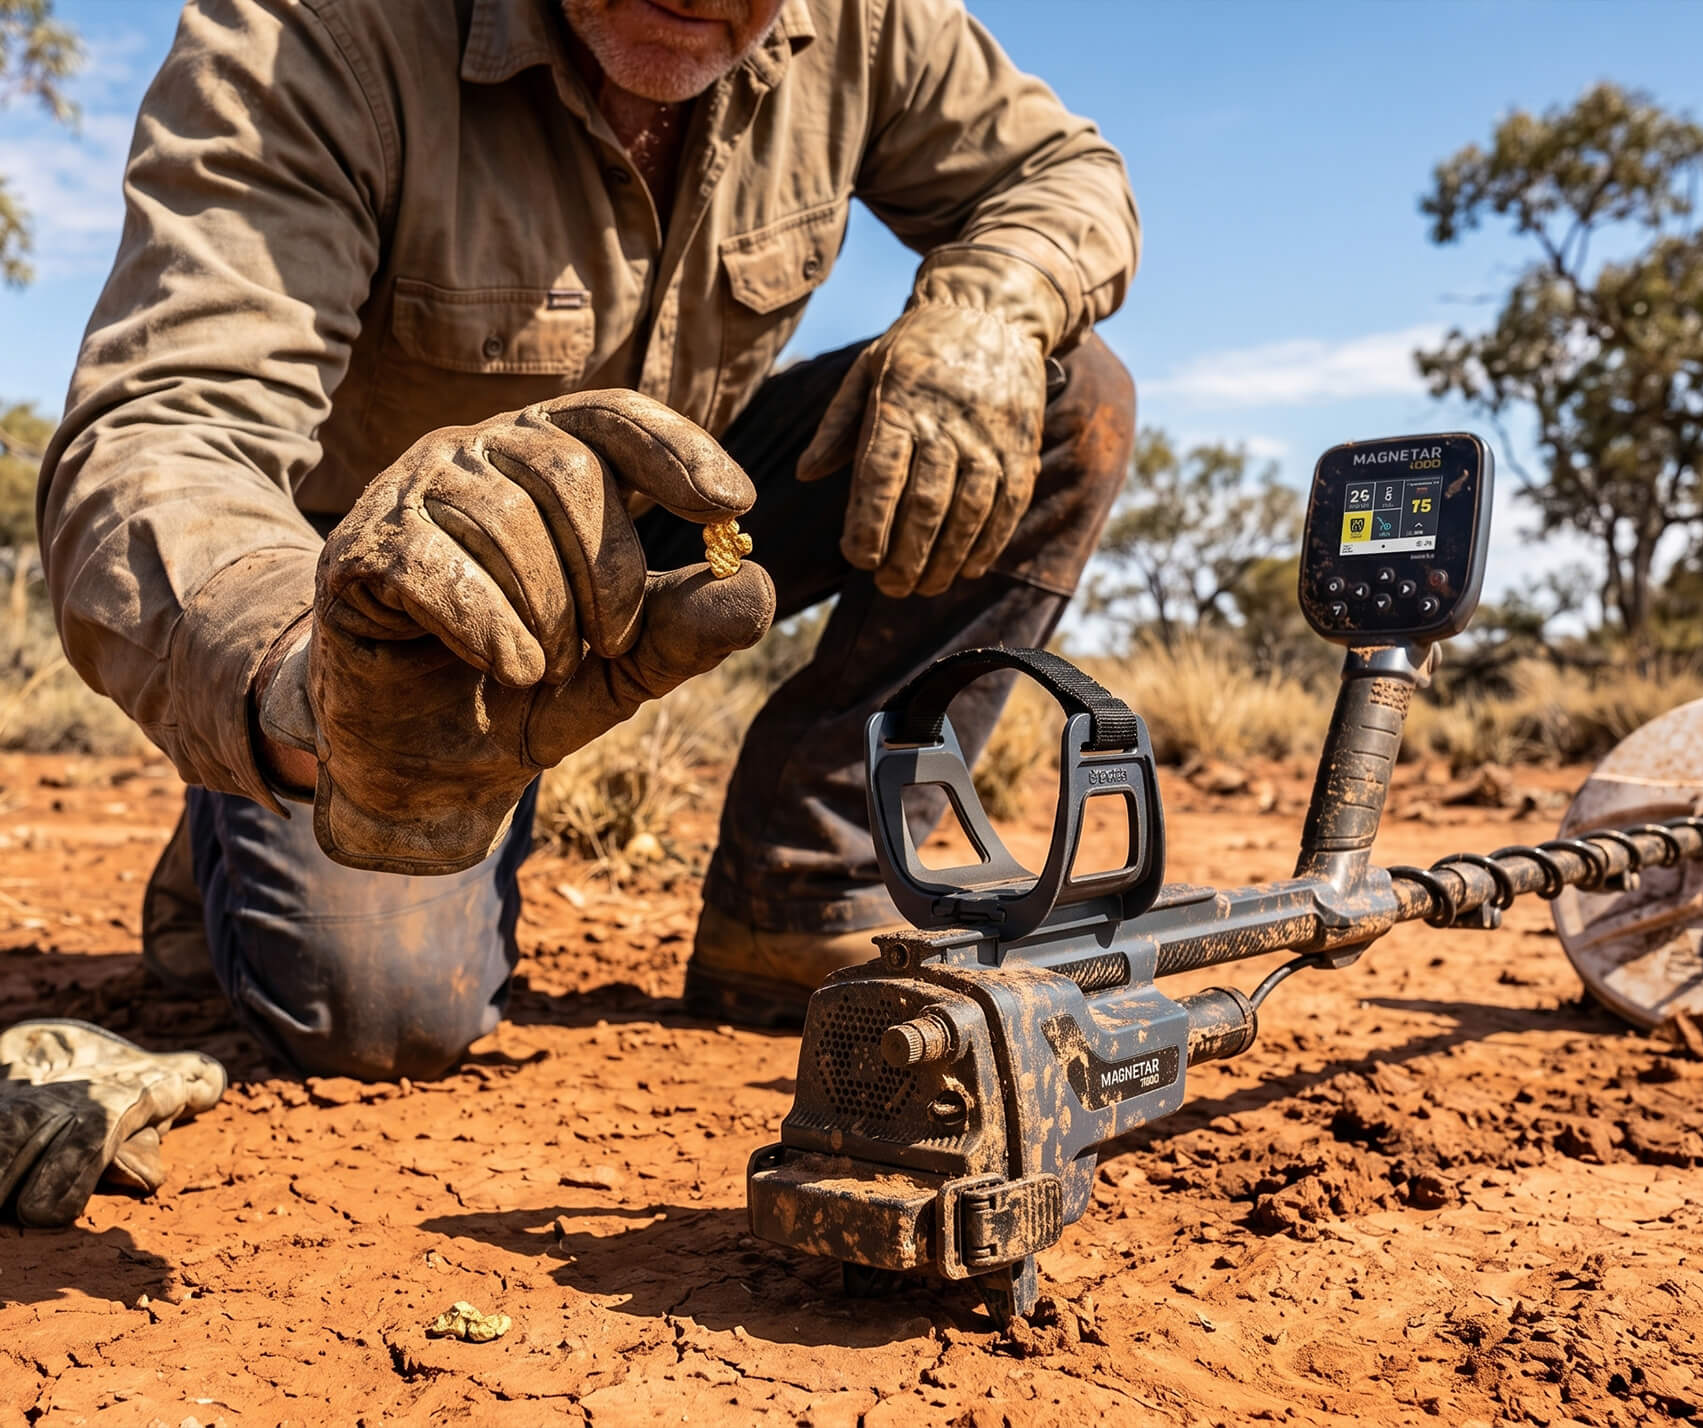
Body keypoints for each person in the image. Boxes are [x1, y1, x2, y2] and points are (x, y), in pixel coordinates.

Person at [36, 0, 1139, 1084]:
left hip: (683, 487)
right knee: (379, 1016)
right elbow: (169, 427)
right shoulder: (314, 31)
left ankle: (806, 884)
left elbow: (1063, 176)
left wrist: (990, 304)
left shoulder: (871, 22)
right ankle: (257, 785)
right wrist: (292, 677)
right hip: (385, 594)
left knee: (1063, 401)